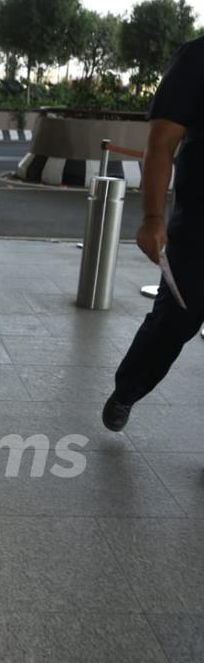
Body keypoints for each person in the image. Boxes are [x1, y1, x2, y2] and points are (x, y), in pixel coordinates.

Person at [103, 33, 204, 430]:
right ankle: (128, 389)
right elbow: (161, 142)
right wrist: (152, 218)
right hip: (199, 230)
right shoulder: (197, 58)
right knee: (174, 323)